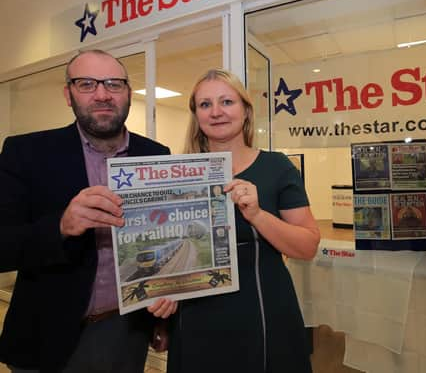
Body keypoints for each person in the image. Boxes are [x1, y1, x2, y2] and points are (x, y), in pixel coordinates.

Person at [0, 49, 177, 373]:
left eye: (113, 84)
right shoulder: (25, 152)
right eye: (86, 84)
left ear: (127, 92)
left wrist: (163, 320)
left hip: (127, 333)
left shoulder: (155, 154)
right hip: (46, 337)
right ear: (68, 94)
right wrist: (60, 226)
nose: (102, 94)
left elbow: (163, 240)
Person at [166, 69, 320, 373]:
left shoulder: (276, 167)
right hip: (197, 313)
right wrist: (162, 292)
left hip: (263, 309)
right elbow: (170, 250)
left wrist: (258, 216)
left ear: (245, 111)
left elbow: (308, 246)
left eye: (227, 101)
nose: (217, 112)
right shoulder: (178, 172)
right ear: (196, 115)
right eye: (205, 104)